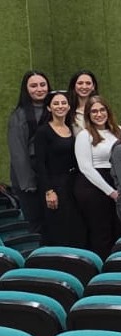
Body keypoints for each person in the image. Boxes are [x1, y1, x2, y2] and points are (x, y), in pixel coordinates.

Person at [74, 95, 121, 256]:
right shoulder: (84, 135)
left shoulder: (118, 131)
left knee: (120, 229)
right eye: (94, 111)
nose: (99, 114)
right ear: (88, 115)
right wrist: (110, 192)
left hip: (116, 180)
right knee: (101, 232)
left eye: (102, 110)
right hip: (94, 187)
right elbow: (86, 168)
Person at [32, 90, 84, 247]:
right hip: (54, 185)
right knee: (59, 226)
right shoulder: (43, 132)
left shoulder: (71, 129)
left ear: (69, 107)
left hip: (72, 183)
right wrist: (49, 191)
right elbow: (40, 164)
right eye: (56, 103)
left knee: (75, 225)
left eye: (63, 103)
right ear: (49, 108)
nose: (60, 106)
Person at [7, 71, 50, 235]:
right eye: (33, 86)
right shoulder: (19, 115)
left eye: (42, 84)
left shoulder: (55, 108)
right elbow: (18, 153)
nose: (39, 89)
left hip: (49, 174)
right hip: (29, 177)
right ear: (26, 89)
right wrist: (28, 183)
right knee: (37, 224)